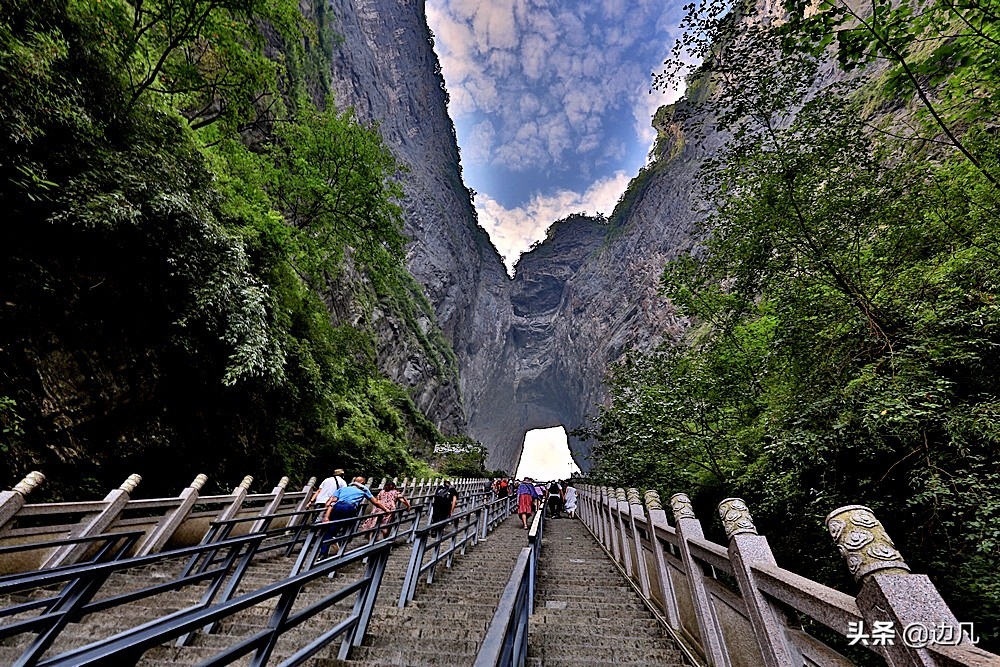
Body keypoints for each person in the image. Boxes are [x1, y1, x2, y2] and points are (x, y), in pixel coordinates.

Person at [320, 476, 389, 556]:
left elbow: (332, 502)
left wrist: (326, 517)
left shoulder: (343, 489)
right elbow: (376, 502)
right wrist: (386, 509)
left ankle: (323, 554)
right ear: (363, 482)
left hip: (337, 506)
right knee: (349, 529)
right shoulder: (363, 489)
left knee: (331, 529)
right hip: (350, 507)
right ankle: (338, 540)